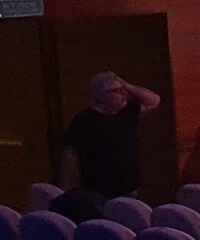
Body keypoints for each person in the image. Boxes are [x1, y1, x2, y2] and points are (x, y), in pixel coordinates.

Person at [58, 71, 162, 199]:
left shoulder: (127, 112)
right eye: (117, 91)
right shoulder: (84, 120)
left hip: (128, 189)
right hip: (97, 191)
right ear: (101, 96)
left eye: (123, 90)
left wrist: (126, 85)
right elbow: (69, 155)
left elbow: (154, 100)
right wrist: (66, 189)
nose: (124, 93)